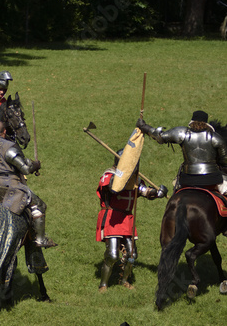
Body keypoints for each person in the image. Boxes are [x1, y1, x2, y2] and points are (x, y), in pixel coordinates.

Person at [0, 121, 57, 248]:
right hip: (10, 187)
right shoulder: (9, 147)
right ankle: (40, 240)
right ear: (5, 132)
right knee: (39, 205)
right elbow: (25, 170)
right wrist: (35, 165)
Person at [96, 150, 167, 293]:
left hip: (127, 218)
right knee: (113, 255)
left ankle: (124, 280)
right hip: (112, 216)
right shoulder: (109, 175)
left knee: (132, 255)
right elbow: (112, 187)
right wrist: (124, 175)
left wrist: (156, 192)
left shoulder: (135, 179)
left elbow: (144, 191)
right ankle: (103, 284)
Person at [137, 110, 227, 193]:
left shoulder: (182, 133)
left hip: (188, 178)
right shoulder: (216, 137)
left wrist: (144, 126)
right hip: (211, 179)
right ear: (206, 124)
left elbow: (160, 136)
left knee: (176, 192)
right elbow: (224, 161)